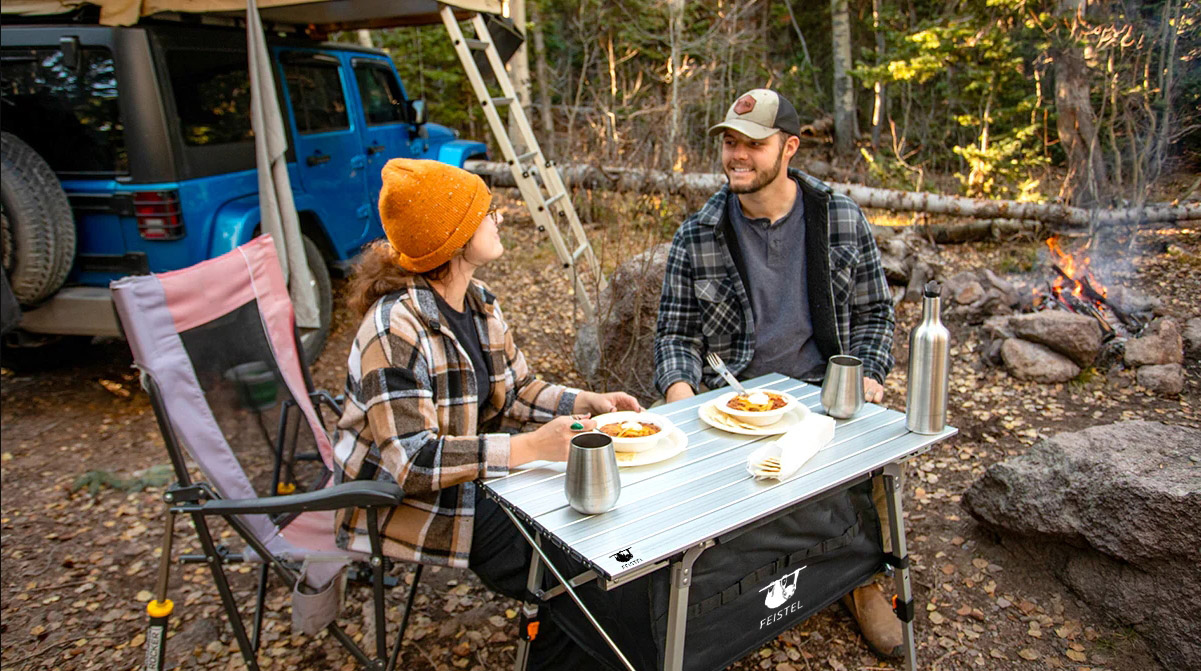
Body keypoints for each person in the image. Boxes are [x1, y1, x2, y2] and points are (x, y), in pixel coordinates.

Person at [332, 158, 641, 668]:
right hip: (402, 500)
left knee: (589, 533)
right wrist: (528, 449)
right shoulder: (394, 329)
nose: (497, 218)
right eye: (485, 211)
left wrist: (584, 402)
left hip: (473, 475)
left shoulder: (478, 303)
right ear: (450, 237)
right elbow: (411, 463)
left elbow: (514, 391)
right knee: (569, 568)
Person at [653, 89, 902, 658]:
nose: (737, 156)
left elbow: (874, 312)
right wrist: (681, 398)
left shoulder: (838, 217)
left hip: (821, 394)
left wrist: (866, 377)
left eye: (754, 145)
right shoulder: (699, 232)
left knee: (874, 468)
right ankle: (726, 593)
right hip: (729, 403)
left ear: (788, 147)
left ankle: (863, 579)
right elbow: (675, 334)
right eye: (730, 142)